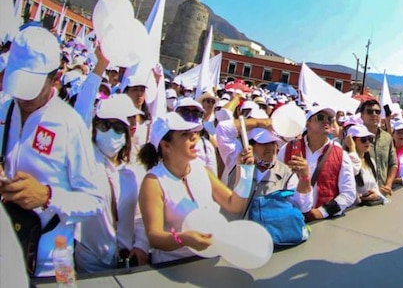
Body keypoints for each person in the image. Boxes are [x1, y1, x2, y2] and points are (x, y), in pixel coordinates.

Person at [0, 27, 106, 276]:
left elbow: (96, 201)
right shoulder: (4, 107)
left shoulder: (70, 125)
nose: (23, 97)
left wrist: (47, 196)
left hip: (55, 259)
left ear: (55, 78)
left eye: (32, 86)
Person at [138, 112, 254, 265]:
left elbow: (235, 205)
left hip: (211, 261)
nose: (194, 137)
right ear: (166, 146)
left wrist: (245, 171)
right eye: (185, 134)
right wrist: (183, 239)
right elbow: (154, 237)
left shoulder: (201, 169)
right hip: (173, 267)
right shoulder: (153, 182)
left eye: (194, 132)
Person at [75, 94, 146, 272]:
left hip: (126, 260)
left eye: (117, 127)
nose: (110, 132)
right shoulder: (84, 161)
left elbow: (139, 214)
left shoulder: (135, 169)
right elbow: (80, 111)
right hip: (90, 260)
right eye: (104, 125)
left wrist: (141, 245)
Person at [277, 104, 356, 221]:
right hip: (289, 219)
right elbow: (276, 184)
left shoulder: (340, 153)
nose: (326, 121)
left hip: (322, 223)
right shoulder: (289, 148)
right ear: (307, 123)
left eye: (329, 119)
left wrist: (322, 212)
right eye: (320, 117)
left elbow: (349, 193)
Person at [358, 99, 398, 197]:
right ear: (362, 116)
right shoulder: (355, 137)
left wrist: (388, 185)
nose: (374, 114)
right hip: (363, 195)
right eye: (370, 111)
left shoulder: (387, 137)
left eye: (377, 111)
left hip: (383, 193)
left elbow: (393, 163)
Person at [343, 125, 384, 205]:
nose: (368, 142)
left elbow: (375, 187)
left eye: (370, 139)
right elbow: (354, 170)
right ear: (352, 142)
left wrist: (375, 195)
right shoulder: (346, 161)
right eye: (363, 139)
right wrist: (352, 148)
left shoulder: (371, 161)